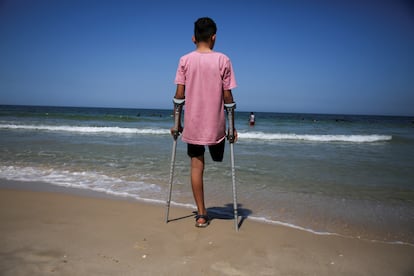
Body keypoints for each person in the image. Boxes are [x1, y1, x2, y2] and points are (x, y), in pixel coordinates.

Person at [171, 17, 237, 228]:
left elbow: (179, 96)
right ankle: (204, 211)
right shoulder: (223, 60)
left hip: (193, 124)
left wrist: (177, 123)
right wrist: (231, 128)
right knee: (217, 159)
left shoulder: (184, 60)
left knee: (196, 166)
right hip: (215, 126)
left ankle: (201, 214)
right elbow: (228, 98)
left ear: (193, 38)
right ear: (214, 37)